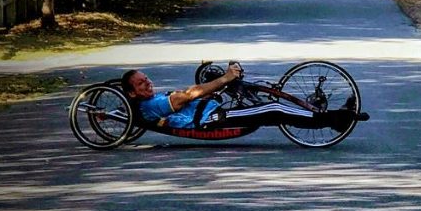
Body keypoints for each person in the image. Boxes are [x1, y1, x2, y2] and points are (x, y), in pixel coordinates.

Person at [121, 63, 332, 129]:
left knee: (268, 108)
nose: (147, 83)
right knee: (273, 110)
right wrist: (225, 78)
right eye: (141, 83)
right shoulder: (150, 107)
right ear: (132, 93)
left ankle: (328, 117)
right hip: (209, 120)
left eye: (146, 79)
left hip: (210, 110)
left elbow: (194, 93)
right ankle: (333, 120)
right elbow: (188, 95)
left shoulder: (151, 101)